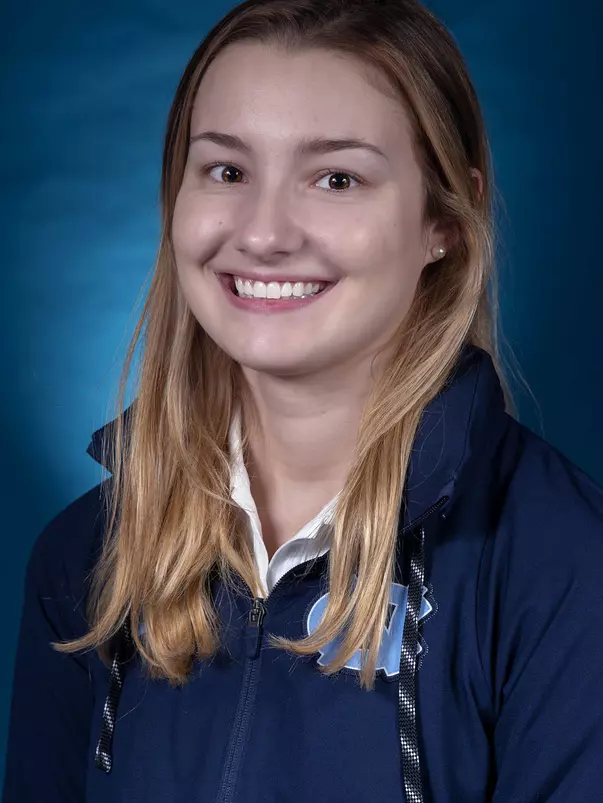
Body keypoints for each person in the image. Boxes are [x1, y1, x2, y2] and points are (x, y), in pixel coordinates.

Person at [4, 0, 603, 800]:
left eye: (335, 178)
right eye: (227, 170)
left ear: (443, 219)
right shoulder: (83, 555)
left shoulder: (562, 567)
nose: (262, 233)